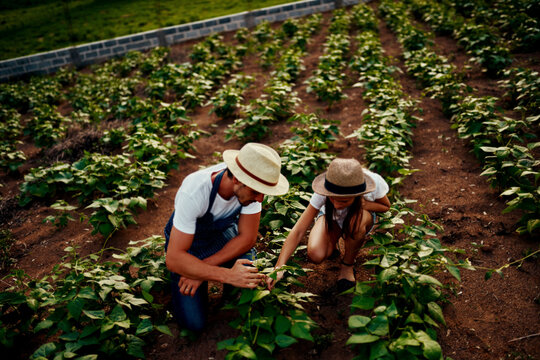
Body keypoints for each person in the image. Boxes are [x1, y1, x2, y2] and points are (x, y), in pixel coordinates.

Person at [164, 142, 289, 332]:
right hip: (188, 248)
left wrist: (204, 268)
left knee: (247, 280)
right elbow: (174, 258)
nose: (260, 199)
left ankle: (231, 294)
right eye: (256, 192)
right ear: (237, 179)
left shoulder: (251, 191)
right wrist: (226, 275)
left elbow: (247, 238)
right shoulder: (195, 191)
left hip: (221, 237)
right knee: (193, 325)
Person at [266, 158, 390, 292]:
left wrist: (364, 205)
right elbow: (299, 230)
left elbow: (385, 206)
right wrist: (279, 267)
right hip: (331, 218)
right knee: (316, 254)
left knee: (355, 225)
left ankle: (347, 265)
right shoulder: (325, 189)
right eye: (332, 198)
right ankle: (333, 243)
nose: (336, 205)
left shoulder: (373, 184)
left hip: (359, 218)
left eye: (343, 201)